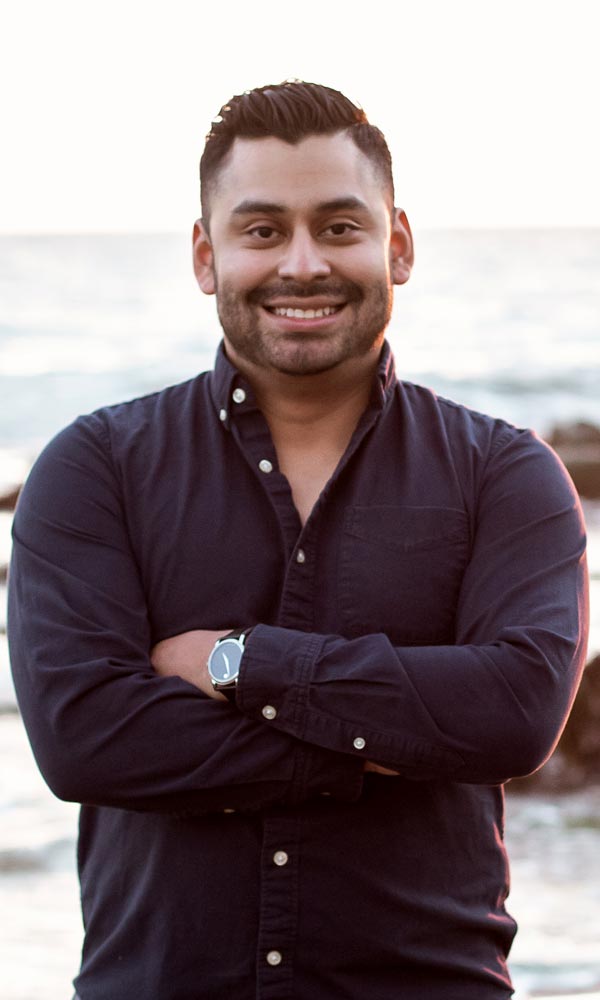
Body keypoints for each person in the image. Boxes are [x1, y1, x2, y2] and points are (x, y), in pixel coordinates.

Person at [8, 81, 589, 999]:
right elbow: (86, 740)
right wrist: (387, 738)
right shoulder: (94, 469)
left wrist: (242, 664)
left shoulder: (504, 475)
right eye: (264, 230)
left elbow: (514, 714)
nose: (304, 264)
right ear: (207, 256)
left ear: (397, 245)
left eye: (341, 226)